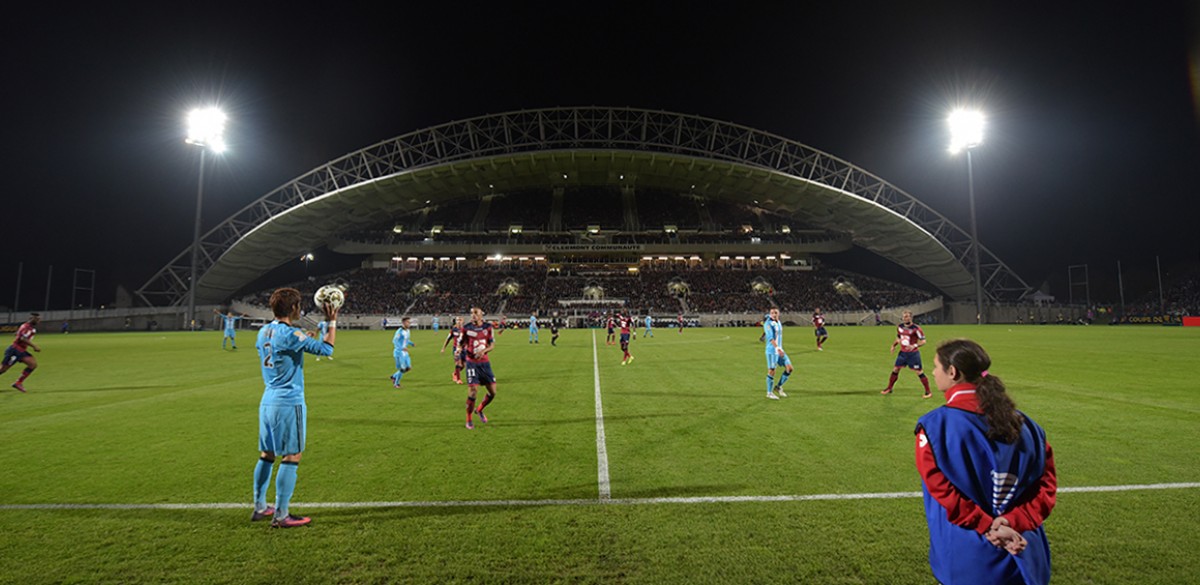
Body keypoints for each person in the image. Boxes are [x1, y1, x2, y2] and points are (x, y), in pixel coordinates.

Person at [916, 338, 1056, 585]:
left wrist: (988, 526)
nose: (933, 372)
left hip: (967, 558)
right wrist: (1012, 522)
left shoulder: (935, 427)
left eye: (936, 366)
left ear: (953, 372)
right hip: (1024, 554)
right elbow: (1045, 490)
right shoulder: (1031, 428)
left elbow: (943, 492)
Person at [251, 288, 336, 528]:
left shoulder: (263, 332)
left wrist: (300, 338)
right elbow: (327, 349)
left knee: (267, 454)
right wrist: (332, 321)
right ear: (294, 309)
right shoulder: (291, 334)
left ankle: (259, 506)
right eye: (299, 306)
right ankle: (281, 515)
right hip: (288, 402)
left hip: (267, 400)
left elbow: (282, 348)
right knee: (292, 455)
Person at [882, 310, 932, 398]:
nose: (905, 318)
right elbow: (899, 338)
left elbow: (923, 341)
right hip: (902, 353)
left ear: (911, 317)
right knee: (895, 369)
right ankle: (889, 388)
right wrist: (893, 345)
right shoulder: (900, 327)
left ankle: (928, 392)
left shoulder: (916, 328)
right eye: (904, 316)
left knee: (919, 372)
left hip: (913, 354)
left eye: (907, 316)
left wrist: (915, 345)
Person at [462, 307, 497, 430]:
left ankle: (479, 410)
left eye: (475, 313)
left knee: (493, 392)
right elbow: (461, 343)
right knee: (473, 392)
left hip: (484, 363)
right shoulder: (466, 328)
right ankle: (469, 419)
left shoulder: (488, 327)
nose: (473, 315)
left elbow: (492, 345)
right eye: (471, 313)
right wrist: (459, 351)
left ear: (481, 315)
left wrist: (484, 351)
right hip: (471, 363)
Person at [1, 313, 42, 393]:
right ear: (32, 319)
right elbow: (23, 338)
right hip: (14, 350)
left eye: (39, 319)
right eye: (37, 319)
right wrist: (34, 346)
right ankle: (18, 383)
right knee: (2, 369)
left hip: (21, 351)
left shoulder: (28, 327)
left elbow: (20, 335)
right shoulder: (27, 327)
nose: (39, 321)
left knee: (32, 364)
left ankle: (18, 383)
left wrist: (17, 334)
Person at [762, 308, 792, 400]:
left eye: (776, 312)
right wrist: (777, 348)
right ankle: (769, 393)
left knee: (789, 368)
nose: (774, 314)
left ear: (779, 313)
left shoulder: (778, 321)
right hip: (772, 350)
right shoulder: (768, 324)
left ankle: (778, 387)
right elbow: (770, 338)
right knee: (772, 370)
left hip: (780, 350)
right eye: (772, 313)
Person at [391, 317, 415, 388]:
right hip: (399, 352)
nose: (409, 323)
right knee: (402, 368)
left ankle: (394, 376)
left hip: (405, 353)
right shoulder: (399, 331)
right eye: (408, 322)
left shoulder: (408, 331)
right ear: (404, 323)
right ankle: (396, 384)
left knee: (408, 368)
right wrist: (402, 348)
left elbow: (406, 340)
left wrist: (411, 343)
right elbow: (394, 341)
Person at [441, 316, 466, 384]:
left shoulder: (465, 329)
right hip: (456, 348)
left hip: (464, 349)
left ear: (463, 321)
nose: (458, 321)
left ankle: (455, 373)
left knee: (463, 365)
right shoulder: (453, 329)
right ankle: (458, 379)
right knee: (458, 363)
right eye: (457, 320)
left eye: (460, 320)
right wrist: (443, 348)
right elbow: (448, 339)